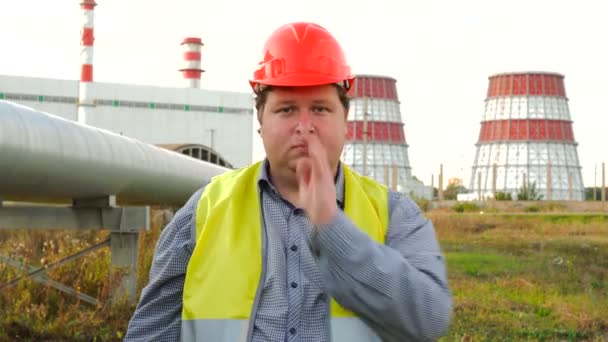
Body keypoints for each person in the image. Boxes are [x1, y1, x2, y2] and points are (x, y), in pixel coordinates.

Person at [125, 22, 452, 342]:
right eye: (287, 109)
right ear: (261, 121)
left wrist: (332, 227)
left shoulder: (395, 214)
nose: (304, 126)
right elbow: (152, 333)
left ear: (345, 123)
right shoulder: (204, 211)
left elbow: (428, 319)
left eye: (321, 109)